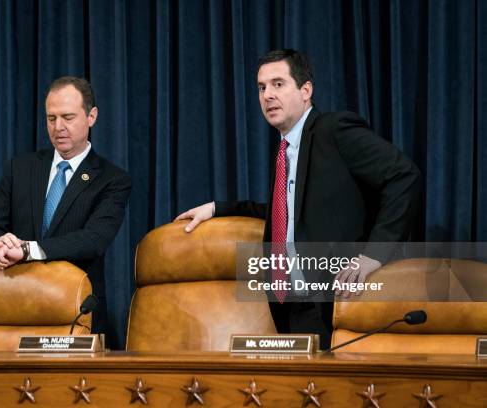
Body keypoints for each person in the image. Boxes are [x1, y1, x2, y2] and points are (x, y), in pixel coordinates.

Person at [175, 49, 421, 349]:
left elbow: (404, 176)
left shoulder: (334, 130)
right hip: (292, 307)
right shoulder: (286, 151)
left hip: (338, 305)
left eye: (278, 84)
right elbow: (287, 213)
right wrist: (217, 208)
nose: (267, 95)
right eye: (262, 87)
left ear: (306, 91)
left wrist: (374, 254)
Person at [0, 76, 132, 335]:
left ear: (91, 116)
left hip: (75, 313)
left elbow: (94, 239)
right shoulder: (21, 168)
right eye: (51, 118)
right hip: (14, 308)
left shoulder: (112, 179)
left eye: (68, 118)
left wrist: (28, 250)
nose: (58, 127)